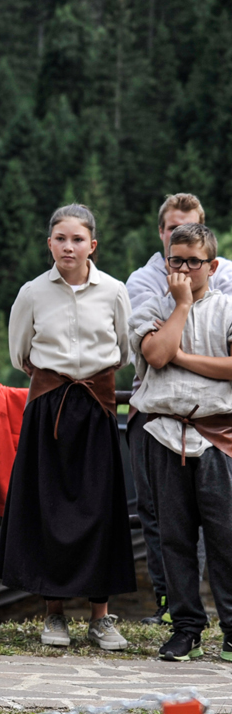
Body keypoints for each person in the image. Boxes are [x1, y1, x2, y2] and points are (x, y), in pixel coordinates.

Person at [0, 205, 134, 649]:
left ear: (92, 245)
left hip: (96, 405)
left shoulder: (114, 291)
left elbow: (124, 349)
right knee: (48, 507)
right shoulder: (32, 293)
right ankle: (53, 614)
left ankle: (100, 618)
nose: (68, 247)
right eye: (60, 238)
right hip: (49, 406)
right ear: (50, 243)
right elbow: (20, 353)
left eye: (77, 239)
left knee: (100, 508)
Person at [124, 194, 232, 626]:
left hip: (218, 433)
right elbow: (155, 354)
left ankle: (231, 627)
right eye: (176, 261)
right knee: (173, 534)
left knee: (225, 534)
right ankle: (185, 624)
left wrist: (181, 357)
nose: (184, 270)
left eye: (193, 262)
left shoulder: (227, 307)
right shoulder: (153, 302)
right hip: (163, 433)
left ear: (212, 265)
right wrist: (182, 305)